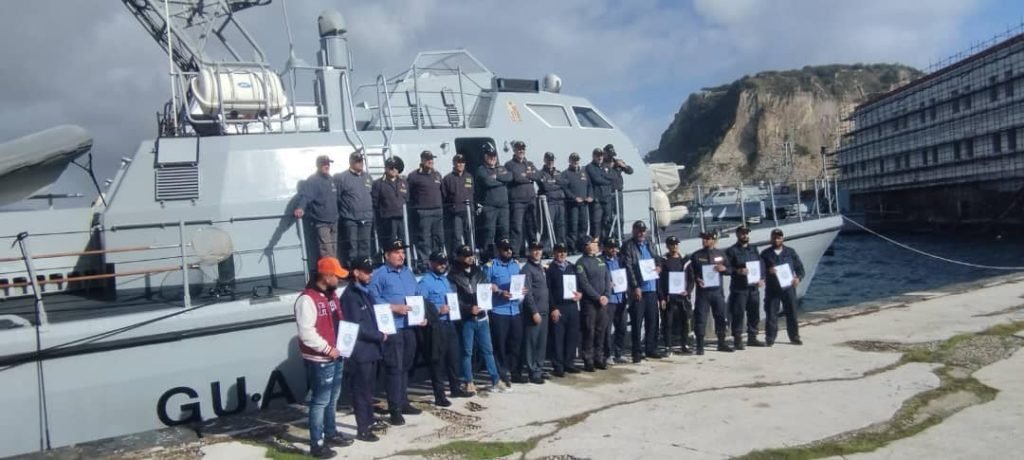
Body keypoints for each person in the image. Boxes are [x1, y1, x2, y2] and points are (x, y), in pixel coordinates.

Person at [293, 256, 354, 457]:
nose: (340, 280)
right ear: (326, 276)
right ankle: (316, 443)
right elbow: (306, 332)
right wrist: (328, 349)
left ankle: (330, 432)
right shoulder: (307, 299)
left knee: (333, 398)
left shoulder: (332, 295)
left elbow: (339, 321)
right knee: (320, 401)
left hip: (336, 355)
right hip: (321, 359)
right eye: (337, 276)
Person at [367, 239, 425, 426]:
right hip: (392, 328)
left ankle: (403, 401)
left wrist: (421, 315)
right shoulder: (379, 275)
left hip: (410, 326)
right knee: (394, 368)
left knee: (406, 366)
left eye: (403, 252)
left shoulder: (408, 273)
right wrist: (393, 307)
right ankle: (394, 409)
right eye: (397, 252)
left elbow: (416, 296)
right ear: (387, 255)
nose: (401, 255)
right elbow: (372, 299)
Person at [417, 251, 474, 406]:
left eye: (444, 263)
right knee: (437, 362)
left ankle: (455, 387)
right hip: (436, 326)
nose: (443, 265)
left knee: (453, 357)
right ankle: (439, 395)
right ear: (431, 263)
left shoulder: (445, 280)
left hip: (450, 324)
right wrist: (437, 310)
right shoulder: (425, 283)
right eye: (439, 263)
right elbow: (420, 305)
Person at [339, 257, 386, 443]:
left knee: (369, 390)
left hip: (370, 350)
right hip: (360, 352)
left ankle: (370, 420)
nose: (371, 274)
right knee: (361, 391)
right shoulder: (350, 296)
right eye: (367, 271)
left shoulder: (364, 292)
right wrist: (379, 335)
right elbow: (355, 326)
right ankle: (363, 428)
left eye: (371, 270)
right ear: (356, 273)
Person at [448, 244, 506, 393]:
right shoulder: (453, 275)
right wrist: (468, 309)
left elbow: (486, 288)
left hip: (481, 317)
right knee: (467, 352)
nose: (470, 258)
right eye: (466, 255)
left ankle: (495, 379)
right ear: (460, 257)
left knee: (488, 350)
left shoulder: (478, 272)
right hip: (467, 319)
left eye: (471, 255)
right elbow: (454, 299)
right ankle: (469, 381)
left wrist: (494, 289)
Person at [485, 238, 526, 385]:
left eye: (510, 249)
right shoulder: (491, 266)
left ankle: (515, 372)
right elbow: (485, 286)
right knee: (500, 345)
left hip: (514, 310)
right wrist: (498, 291)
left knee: (516, 343)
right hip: (499, 311)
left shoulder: (515, 265)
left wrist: (522, 291)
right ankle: (502, 374)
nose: (509, 251)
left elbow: (520, 283)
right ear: (499, 250)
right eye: (505, 249)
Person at [621, 220, 664, 362]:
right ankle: (636, 351)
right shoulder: (628, 246)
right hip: (639, 289)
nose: (641, 233)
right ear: (633, 231)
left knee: (653, 321)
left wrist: (658, 267)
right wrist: (634, 287)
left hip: (651, 288)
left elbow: (657, 258)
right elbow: (628, 267)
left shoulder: (649, 244)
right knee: (637, 322)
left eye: (643, 230)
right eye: (638, 230)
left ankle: (651, 348)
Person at [760, 228, 806, 346]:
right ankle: (770, 338)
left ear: (782, 238)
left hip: (788, 288)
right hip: (772, 288)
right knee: (771, 314)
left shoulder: (790, 252)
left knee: (791, 313)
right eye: (774, 237)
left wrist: (798, 278)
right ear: (771, 239)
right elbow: (760, 271)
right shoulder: (765, 254)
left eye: (779, 237)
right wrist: (767, 271)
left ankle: (794, 337)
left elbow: (800, 269)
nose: (776, 240)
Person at [690, 231, 732, 355]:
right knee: (701, 318)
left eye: (707, 239)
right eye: (703, 239)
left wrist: (724, 269)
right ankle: (700, 345)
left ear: (714, 240)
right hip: (703, 293)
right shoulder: (696, 255)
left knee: (720, 317)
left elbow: (730, 269)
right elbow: (691, 273)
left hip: (717, 292)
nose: (704, 241)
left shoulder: (721, 254)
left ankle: (721, 342)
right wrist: (697, 279)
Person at [726, 227, 765, 349]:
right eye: (742, 234)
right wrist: (738, 270)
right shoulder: (731, 251)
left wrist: (762, 278)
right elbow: (727, 268)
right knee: (738, 314)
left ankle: (752, 337)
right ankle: (737, 339)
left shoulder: (753, 249)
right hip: (739, 288)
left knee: (754, 313)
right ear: (737, 235)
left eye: (746, 233)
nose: (745, 235)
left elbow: (761, 265)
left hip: (753, 287)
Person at [576, 237, 611, 372]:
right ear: (586, 246)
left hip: (602, 303)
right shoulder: (581, 263)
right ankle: (588, 359)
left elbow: (607, 278)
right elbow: (584, 283)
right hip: (589, 303)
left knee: (600, 330)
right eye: (593, 243)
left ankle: (599, 357)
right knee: (589, 331)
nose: (596, 245)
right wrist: (597, 297)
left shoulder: (600, 260)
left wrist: (606, 295)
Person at [547, 243, 582, 377]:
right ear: (554, 253)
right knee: (558, 338)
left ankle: (569, 363)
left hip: (572, 305)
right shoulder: (550, 269)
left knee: (572, 336)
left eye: (564, 252)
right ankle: (558, 366)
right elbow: (549, 291)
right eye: (559, 252)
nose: (562, 254)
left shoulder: (572, 267)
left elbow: (579, 285)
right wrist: (553, 308)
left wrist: (580, 294)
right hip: (559, 306)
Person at [294, 155, 340, 258]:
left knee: (334, 251)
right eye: (324, 164)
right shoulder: (313, 181)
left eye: (328, 164)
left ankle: (334, 273)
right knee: (327, 252)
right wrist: (301, 208)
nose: (327, 166)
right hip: (322, 222)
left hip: (334, 221)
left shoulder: (331, 180)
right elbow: (306, 196)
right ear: (318, 165)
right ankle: (328, 273)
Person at [335, 150, 374, 265]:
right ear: (351, 163)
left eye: (361, 161)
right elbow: (337, 197)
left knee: (365, 244)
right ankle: (353, 267)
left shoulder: (367, 177)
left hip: (366, 217)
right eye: (357, 162)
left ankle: (365, 266)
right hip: (350, 218)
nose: (360, 164)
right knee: (352, 245)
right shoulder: (342, 178)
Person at [408, 151, 445, 267]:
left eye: (432, 159)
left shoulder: (437, 174)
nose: (431, 161)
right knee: (424, 238)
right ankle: (425, 262)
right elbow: (409, 194)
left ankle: (438, 260)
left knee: (438, 237)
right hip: (423, 211)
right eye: (428, 159)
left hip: (438, 210)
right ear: (422, 160)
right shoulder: (414, 176)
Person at [520, 241, 549, 384]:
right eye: (534, 250)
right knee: (532, 343)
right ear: (529, 252)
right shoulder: (527, 269)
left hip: (545, 310)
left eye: (539, 249)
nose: (537, 252)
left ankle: (539, 368)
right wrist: (534, 312)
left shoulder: (541, 268)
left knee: (541, 344)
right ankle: (532, 371)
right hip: (535, 313)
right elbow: (528, 293)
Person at [659, 236, 693, 355]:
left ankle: (685, 344)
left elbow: (690, 279)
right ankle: (668, 346)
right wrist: (662, 297)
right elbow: (660, 281)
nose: (674, 246)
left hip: (682, 297)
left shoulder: (685, 260)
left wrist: (688, 291)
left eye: (676, 244)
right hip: (669, 297)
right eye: (672, 244)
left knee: (685, 321)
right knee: (667, 322)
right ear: (667, 246)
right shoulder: (663, 260)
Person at [476, 143, 513, 253]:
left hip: (504, 207)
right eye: (490, 156)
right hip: (490, 207)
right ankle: (488, 255)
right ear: (485, 156)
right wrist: (502, 181)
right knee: (489, 232)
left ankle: (505, 254)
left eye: (494, 156)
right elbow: (487, 181)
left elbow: (510, 177)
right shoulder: (481, 169)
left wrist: (496, 177)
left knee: (504, 231)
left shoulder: (501, 168)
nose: (492, 158)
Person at [505, 141, 540, 256]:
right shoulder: (509, 164)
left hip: (530, 200)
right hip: (517, 201)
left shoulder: (529, 163)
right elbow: (516, 178)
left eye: (523, 149)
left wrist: (527, 175)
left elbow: (538, 176)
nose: (521, 151)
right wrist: (528, 177)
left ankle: (533, 251)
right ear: (514, 150)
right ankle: (515, 253)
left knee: (532, 227)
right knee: (517, 228)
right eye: (519, 149)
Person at [372, 157, 408, 254]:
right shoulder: (378, 183)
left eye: (396, 167)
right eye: (391, 167)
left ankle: (403, 262)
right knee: (390, 243)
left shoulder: (403, 182)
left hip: (402, 218)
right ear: (386, 168)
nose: (393, 170)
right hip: (387, 219)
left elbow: (407, 198)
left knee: (403, 241)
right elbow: (375, 202)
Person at [601, 237, 629, 364]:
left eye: (615, 247)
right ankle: (608, 354)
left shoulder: (621, 259)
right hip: (609, 299)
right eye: (611, 247)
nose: (613, 250)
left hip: (621, 297)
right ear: (605, 248)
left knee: (622, 326)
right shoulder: (600, 261)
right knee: (607, 328)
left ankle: (619, 352)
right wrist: (606, 284)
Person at [442, 153, 475, 254]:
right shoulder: (447, 178)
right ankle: (458, 256)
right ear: (454, 163)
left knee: (470, 235)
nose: (460, 165)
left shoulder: (469, 176)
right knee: (457, 236)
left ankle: (471, 255)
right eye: (458, 163)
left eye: (462, 163)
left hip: (468, 212)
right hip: (456, 212)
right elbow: (444, 195)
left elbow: (472, 192)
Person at [537, 152, 567, 249]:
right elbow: (546, 187)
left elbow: (564, 183)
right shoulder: (541, 173)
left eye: (552, 160)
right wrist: (556, 183)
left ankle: (561, 246)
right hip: (549, 202)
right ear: (545, 160)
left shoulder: (558, 172)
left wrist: (554, 183)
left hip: (560, 202)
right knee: (548, 225)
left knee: (561, 225)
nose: (551, 162)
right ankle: (546, 248)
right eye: (549, 160)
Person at [602, 144, 633, 239]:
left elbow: (630, 171)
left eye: (612, 155)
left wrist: (622, 165)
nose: (611, 157)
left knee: (620, 216)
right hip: (607, 193)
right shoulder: (602, 164)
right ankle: (610, 236)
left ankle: (620, 235)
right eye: (609, 155)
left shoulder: (618, 162)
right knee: (608, 217)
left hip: (618, 193)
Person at [562, 152, 591, 252]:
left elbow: (589, 186)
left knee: (583, 226)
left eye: (577, 160)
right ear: (570, 161)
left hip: (584, 204)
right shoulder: (565, 174)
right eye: (573, 160)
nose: (575, 162)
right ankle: (572, 247)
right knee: (573, 227)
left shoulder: (584, 172)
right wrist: (574, 198)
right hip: (572, 205)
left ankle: (581, 246)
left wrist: (590, 196)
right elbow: (565, 189)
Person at [585, 149, 613, 239]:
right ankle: (595, 243)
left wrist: (605, 177)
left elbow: (613, 177)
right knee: (596, 223)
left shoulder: (606, 166)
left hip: (607, 198)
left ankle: (606, 242)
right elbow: (596, 179)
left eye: (601, 155)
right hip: (597, 200)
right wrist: (607, 180)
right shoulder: (590, 167)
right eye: (597, 155)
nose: (600, 157)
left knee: (607, 221)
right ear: (593, 156)